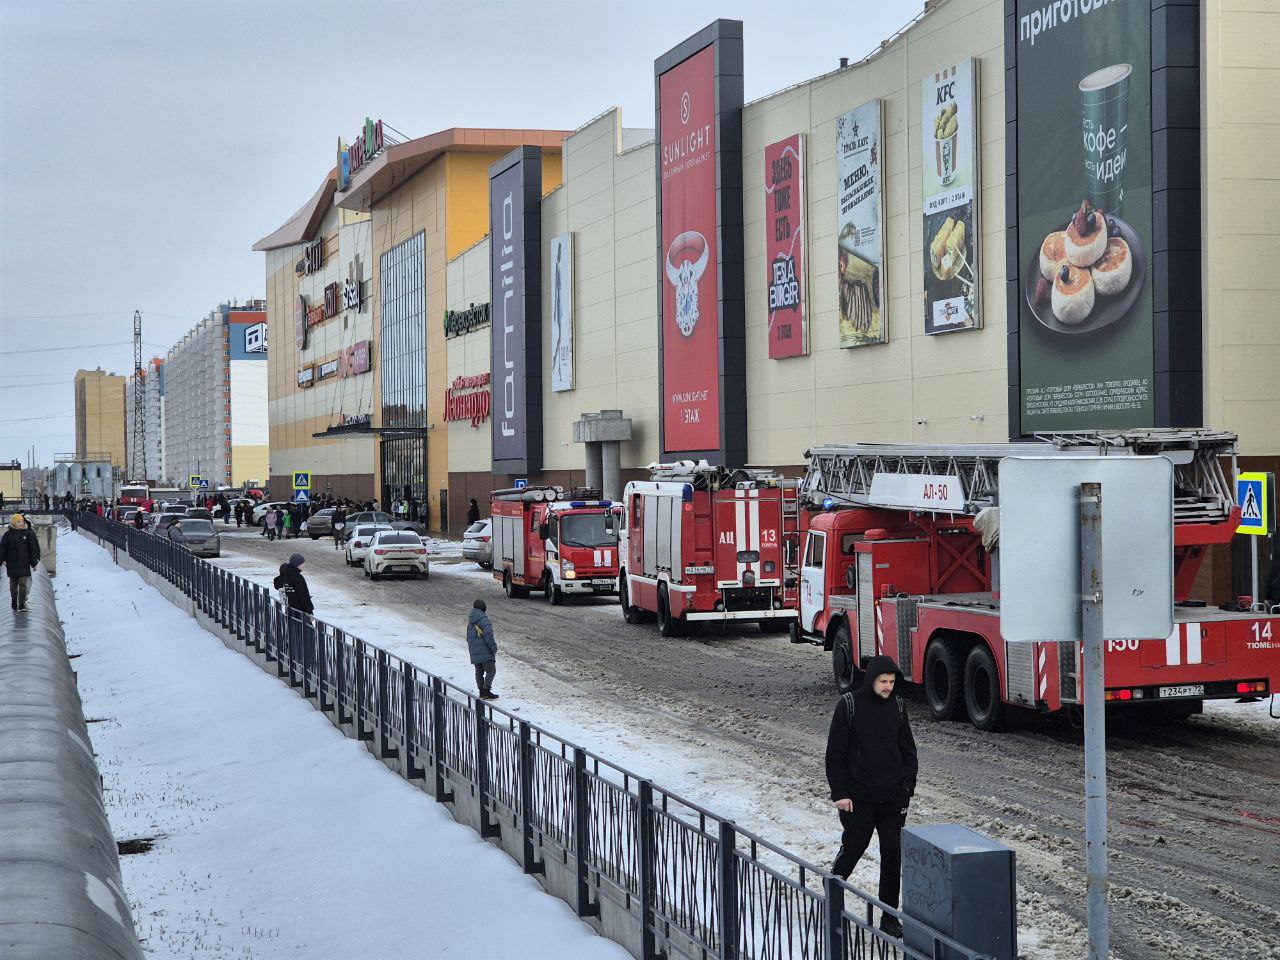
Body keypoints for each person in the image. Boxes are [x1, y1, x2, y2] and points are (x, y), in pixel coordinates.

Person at [824, 654, 918, 940]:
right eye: (883, 682)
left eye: (891, 682)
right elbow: (835, 754)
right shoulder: (849, 705)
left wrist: (906, 791)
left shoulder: (899, 707)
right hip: (858, 799)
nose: (888, 687)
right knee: (853, 849)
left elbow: (909, 752)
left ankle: (889, 917)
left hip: (892, 799)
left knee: (892, 855)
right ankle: (831, 900)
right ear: (871, 680)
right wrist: (840, 793)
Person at [0, 513, 43, 611]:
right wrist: (2, 559)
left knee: (23, 584)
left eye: (22, 521)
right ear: (14, 523)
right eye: (19, 522)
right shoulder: (8, 535)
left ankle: (22, 604)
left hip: (24, 564)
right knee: (13, 586)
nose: (21, 523)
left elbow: (32, 549)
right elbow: (3, 548)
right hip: (12, 564)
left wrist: (34, 563)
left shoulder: (28, 534)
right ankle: (14, 601)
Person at [466, 599, 498, 700]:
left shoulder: (471, 621)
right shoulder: (484, 620)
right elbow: (488, 636)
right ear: (482, 607)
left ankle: (481, 691)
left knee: (479, 671)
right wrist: (493, 648)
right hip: (485, 651)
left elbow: (469, 638)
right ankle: (486, 691)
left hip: (474, 652)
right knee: (491, 670)